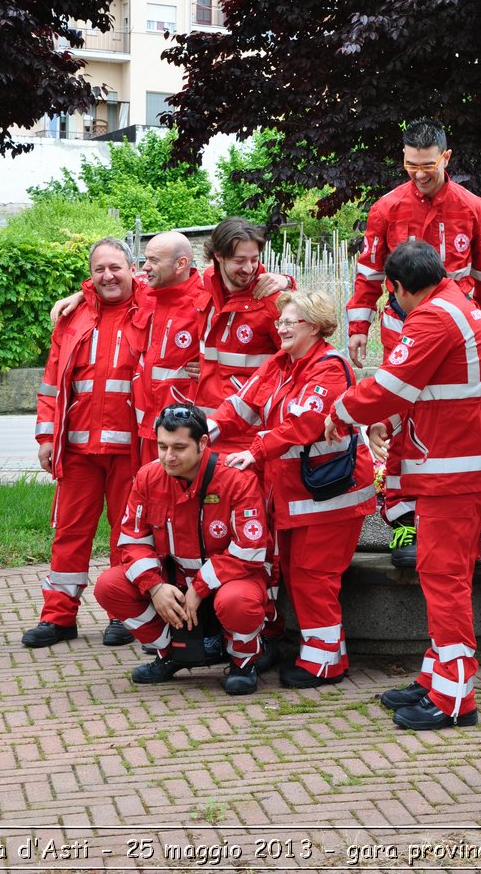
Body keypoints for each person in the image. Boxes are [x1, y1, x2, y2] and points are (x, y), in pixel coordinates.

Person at [327, 240, 481, 731]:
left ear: (399, 287)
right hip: (459, 462)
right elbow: (429, 387)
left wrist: (341, 412)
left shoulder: (432, 317)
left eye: (393, 299)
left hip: (454, 466)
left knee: (443, 577)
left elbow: (392, 382)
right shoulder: (459, 304)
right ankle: (438, 676)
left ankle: (454, 698)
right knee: (444, 575)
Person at [345, 118, 481, 567]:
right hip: (403, 324)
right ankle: (402, 523)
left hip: (456, 328)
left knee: (454, 427)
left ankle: (460, 534)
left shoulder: (473, 207)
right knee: (397, 423)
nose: (418, 173)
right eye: (410, 165)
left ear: (446, 158)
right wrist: (358, 326)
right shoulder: (386, 208)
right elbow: (369, 272)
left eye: (427, 165)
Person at [209, 290, 376, 688]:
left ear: (315, 326)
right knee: (301, 575)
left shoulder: (330, 367)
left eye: (290, 321)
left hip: (331, 494)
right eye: (280, 321)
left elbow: (304, 424)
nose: (280, 327)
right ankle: (320, 654)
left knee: (313, 576)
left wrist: (255, 450)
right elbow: (241, 405)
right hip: (301, 496)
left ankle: (324, 664)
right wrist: (205, 431)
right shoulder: (280, 364)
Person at [94, 405, 269, 694]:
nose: (168, 456)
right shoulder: (147, 477)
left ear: (202, 443)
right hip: (173, 583)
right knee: (108, 586)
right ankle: (169, 653)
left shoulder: (237, 478)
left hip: (230, 580)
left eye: (179, 447)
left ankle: (244, 659)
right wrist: (154, 588)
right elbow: (132, 542)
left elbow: (249, 550)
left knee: (238, 601)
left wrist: (200, 588)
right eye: (162, 446)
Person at [23, 238, 142, 649]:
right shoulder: (72, 318)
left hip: (133, 451)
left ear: (133, 268)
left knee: (127, 536)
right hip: (76, 451)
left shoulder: (152, 307)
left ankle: (124, 614)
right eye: (99, 270)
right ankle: (58, 617)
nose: (108, 276)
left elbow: (194, 284)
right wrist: (45, 436)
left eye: (116, 267)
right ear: (89, 275)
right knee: (69, 533)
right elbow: (51, 382)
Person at [52, 231, 203, 463]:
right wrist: (83, 295)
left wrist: (212, 366)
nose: (146, 268)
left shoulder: (203, 301)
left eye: (153, 261)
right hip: (128, 437)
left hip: (168, 435)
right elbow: (51, 384)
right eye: (145, 260)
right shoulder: (146, 296)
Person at [193, 218, 292, 417]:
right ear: (218, 256)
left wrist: (289, 281)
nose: (248, 268)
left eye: (254, 259)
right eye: (239, 261)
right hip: (206, 420)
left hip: (247, 426)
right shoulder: (207, 286)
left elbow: (296, 365)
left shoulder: (272, 301)